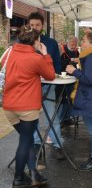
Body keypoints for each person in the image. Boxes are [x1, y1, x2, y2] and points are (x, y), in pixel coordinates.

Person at [1, 29, 55, 188]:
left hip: (9, 106)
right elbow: (50, 75)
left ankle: (34, 174)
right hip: (27, 107)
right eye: (39, 41)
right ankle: (18, 178)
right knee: (25, 141)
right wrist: (45, 54)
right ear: (35, 42)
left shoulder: (9, 52)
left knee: (28, 139)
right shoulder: (36, 58)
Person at [66, 32, 92, 171]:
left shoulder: (91, 58)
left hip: (89, 98)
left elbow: (89, 80)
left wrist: (74, 71)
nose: (81, 43)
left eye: (83, 41)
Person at [28, 12, 64, 160]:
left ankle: (57, 145)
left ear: (43, 26)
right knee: (32, 117)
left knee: (51, 116)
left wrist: (51, 73)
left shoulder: (51, 43)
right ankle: (36, 144)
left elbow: (57, 65)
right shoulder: (24, 42)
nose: (34, 27)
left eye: (37, 24)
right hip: (31, 86)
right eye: (31, 25)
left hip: (48, 84)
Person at [58, 36, 79, 126]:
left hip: (72, 78)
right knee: (63, 99)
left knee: (70, 98)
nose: (74, 46)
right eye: (72, 44)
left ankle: (67, 118)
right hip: (62, 78)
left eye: (75, 44)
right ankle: (60, 120)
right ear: (67, 43)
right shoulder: (62, 51)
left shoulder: (76, 52)